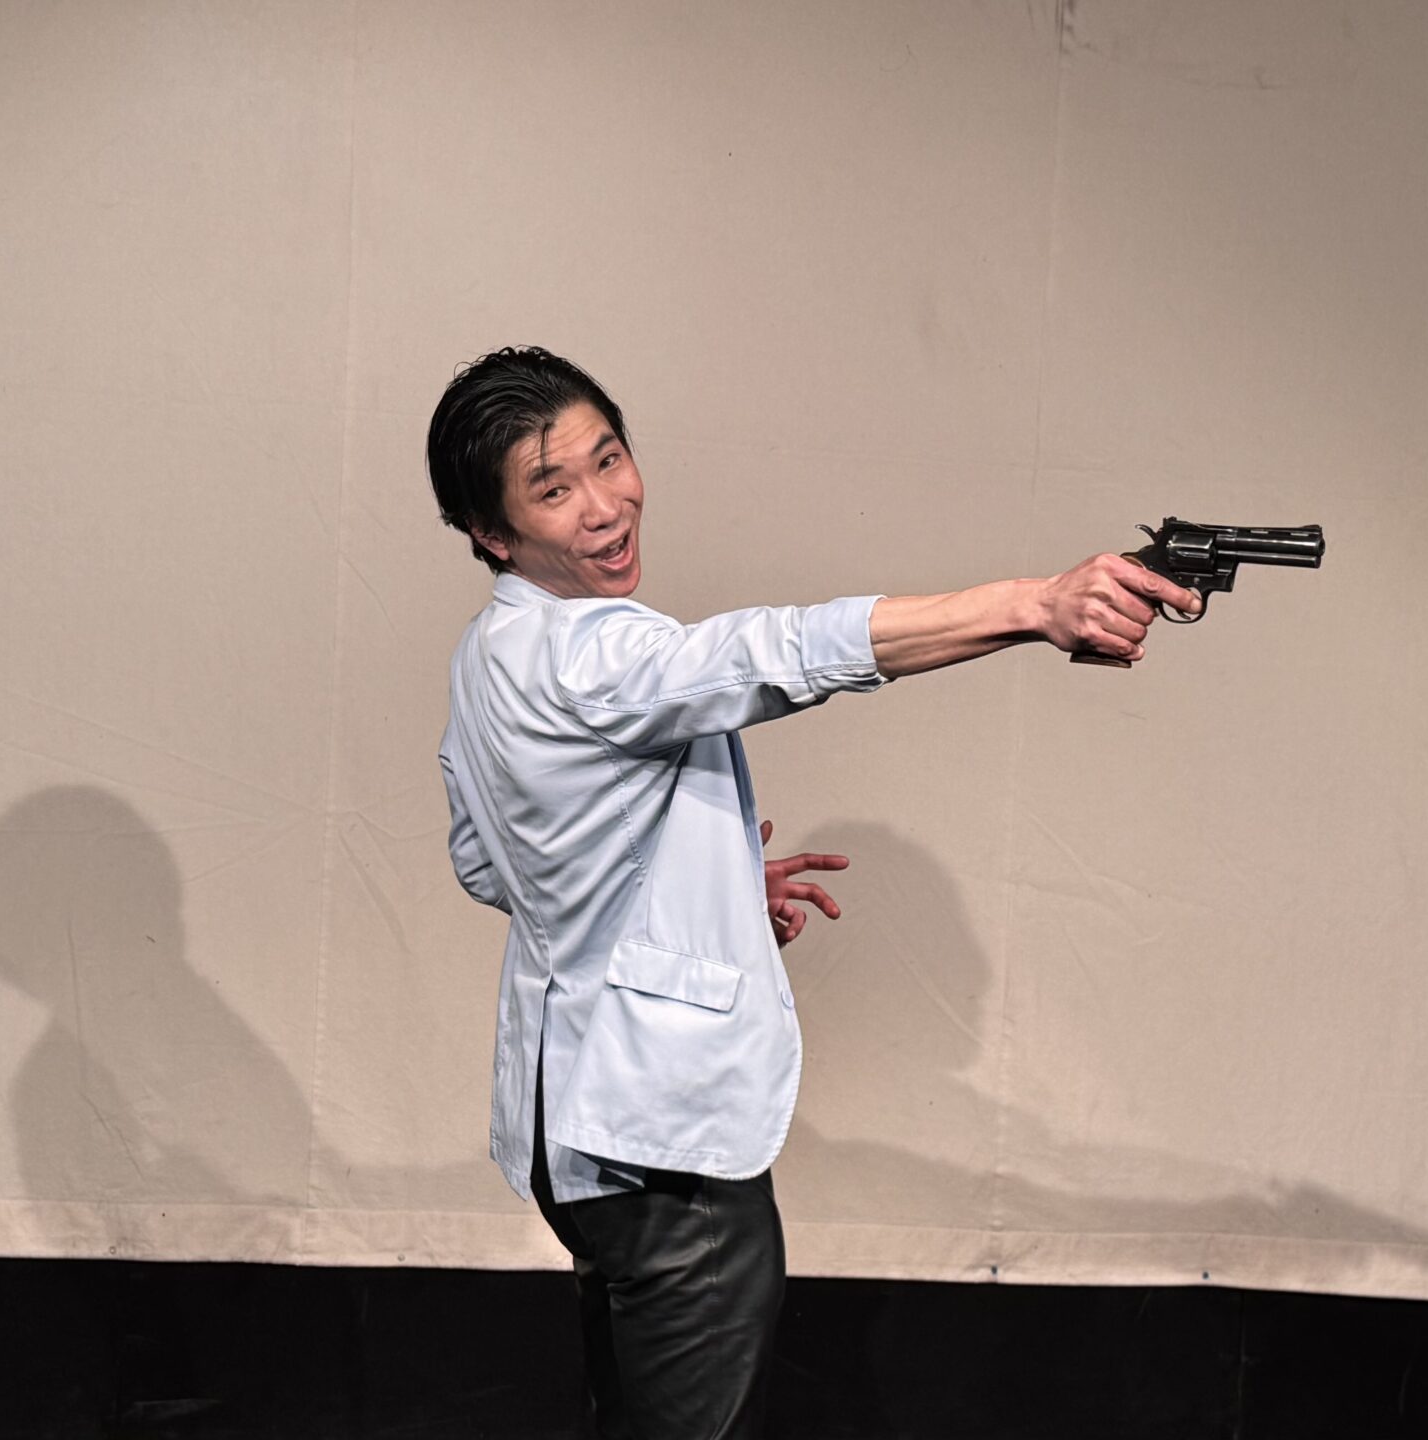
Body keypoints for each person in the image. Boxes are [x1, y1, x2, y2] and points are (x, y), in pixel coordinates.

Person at [428, 346, 1195, 1436]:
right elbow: (777, 652)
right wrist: (1035, 605)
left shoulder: (488, 653)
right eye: (554, 490)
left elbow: (487, 859)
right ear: (493, 532)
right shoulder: (598, 649)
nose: (604, 506)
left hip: (575, 1131)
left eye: (610, 458)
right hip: (663, 1143)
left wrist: (697, 887)